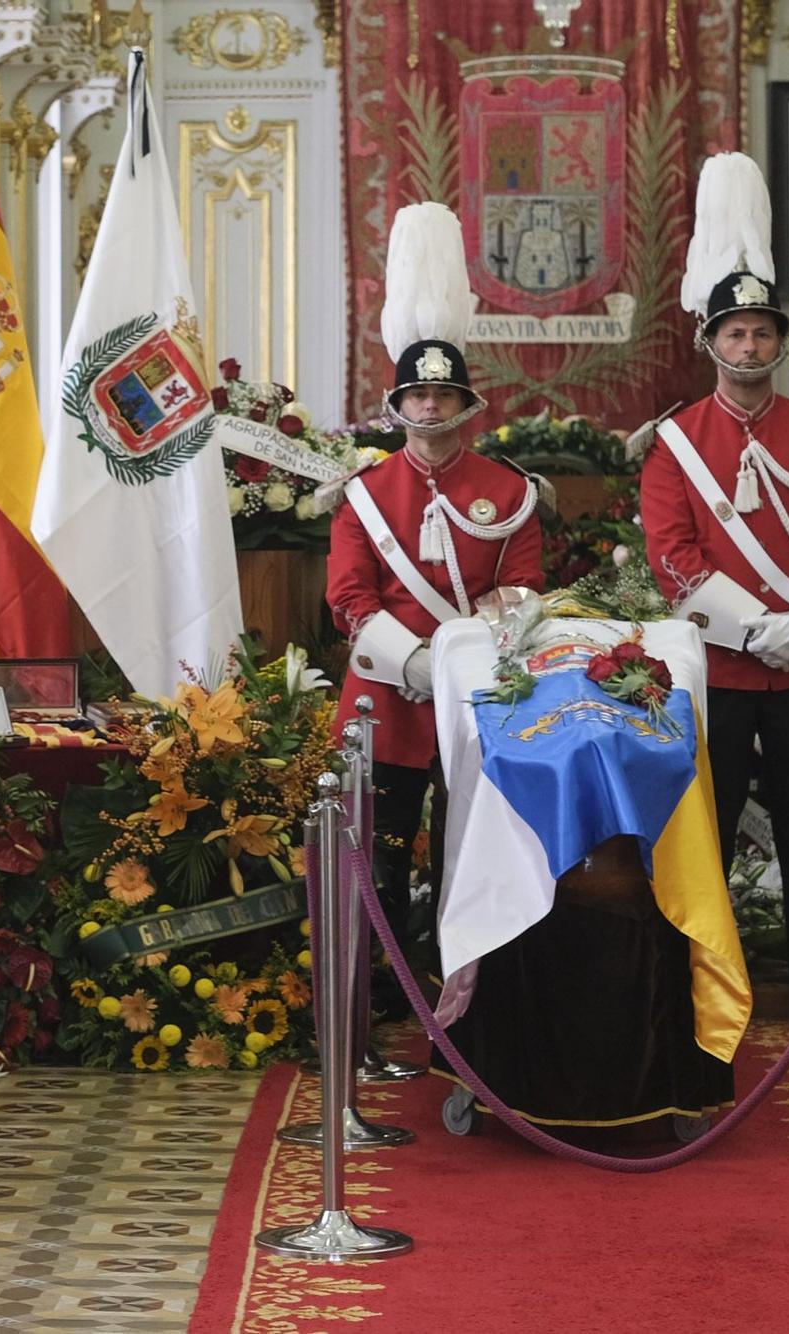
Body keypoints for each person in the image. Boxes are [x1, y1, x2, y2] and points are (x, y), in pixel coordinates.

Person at [638, 153, 789, 1037]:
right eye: (735, 335)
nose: (750, 347)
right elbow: (673, 558)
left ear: (781, 342)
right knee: (708, 848)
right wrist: (757, 632)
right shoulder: (675, 444)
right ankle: (700, 998)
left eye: (763, 333)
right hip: (722, 677)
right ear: (710, 342)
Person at [326, 202, 544, 975]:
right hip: (384, 703)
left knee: (479, 858)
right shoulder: (364, 494)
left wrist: (471, 652)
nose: (429, 408)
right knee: (378, 864)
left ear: (465, 406)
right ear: (397, 406)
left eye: (443, 397)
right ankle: (380, 996)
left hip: (481, 703)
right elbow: (349, 599)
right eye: (416, 397)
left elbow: (523, 587)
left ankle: (471, 986)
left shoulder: (506, 489)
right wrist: (413, 665)